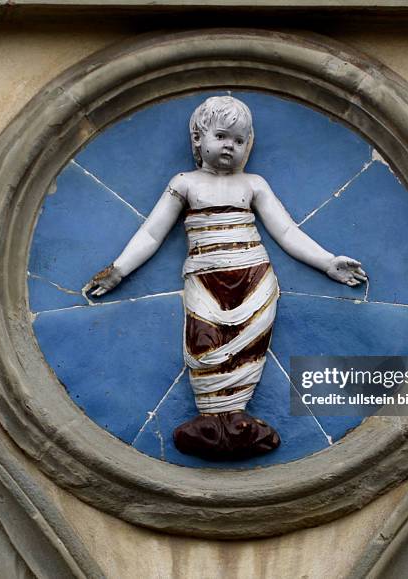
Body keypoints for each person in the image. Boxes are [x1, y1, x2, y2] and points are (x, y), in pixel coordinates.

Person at [83, 96, 367, 460]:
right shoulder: (184, 183)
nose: (230, 146)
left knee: (249, 349)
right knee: (204, 344)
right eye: (222, 136)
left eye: (239, 140)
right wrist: (118, 271)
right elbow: (151, 234)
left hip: (253, 277)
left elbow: (286, 232)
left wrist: (328, 262)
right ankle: (209, 421)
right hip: (204, 279)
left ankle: (235, 420)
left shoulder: (254, 184)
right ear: (199, 139)